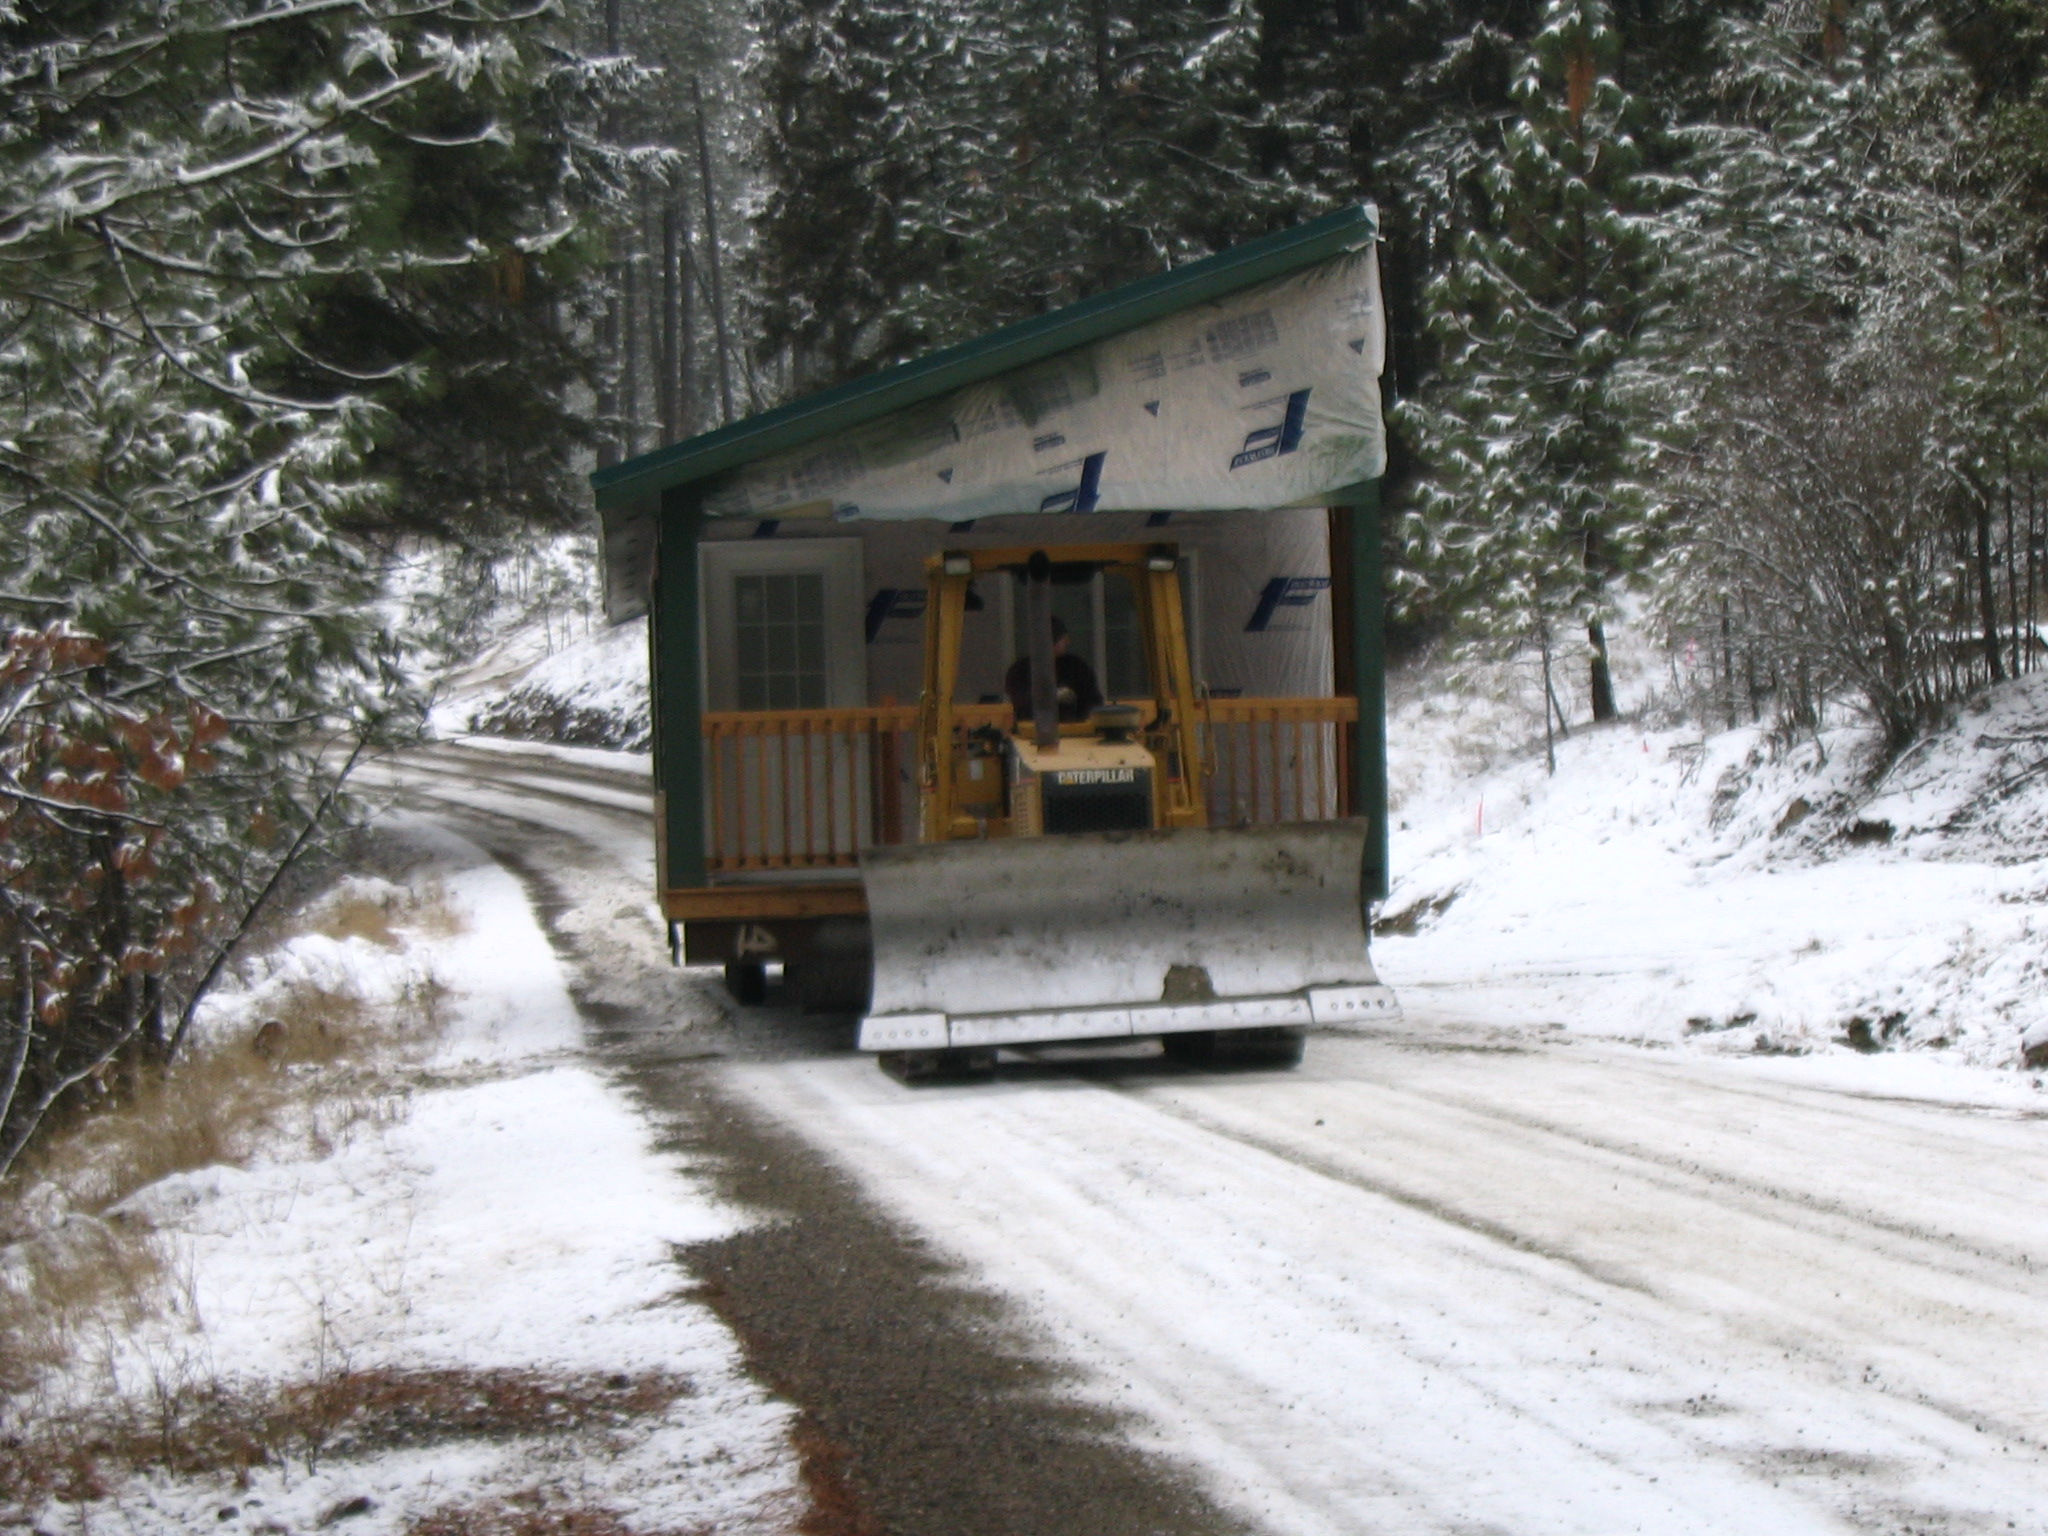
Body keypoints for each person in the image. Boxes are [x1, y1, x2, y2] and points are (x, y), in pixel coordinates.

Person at [1005, 614, 1103, 723]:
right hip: (1031, 730)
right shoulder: (1020, 669)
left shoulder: (1077, 666)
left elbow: (1094, 701)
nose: (1067, 642)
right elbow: (1021, 702)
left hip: (1075, 729)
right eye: (1063, 638)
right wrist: (1052, 696)